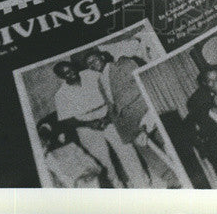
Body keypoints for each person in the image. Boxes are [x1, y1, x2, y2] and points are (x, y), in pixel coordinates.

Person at [51, 59, 149, 188]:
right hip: (86, 127)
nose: (71, 74)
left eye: (71, 69)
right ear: (61, 77)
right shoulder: (60, 95)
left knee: (127, 151)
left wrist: (110, 115)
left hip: (109, 118)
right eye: (66, 73)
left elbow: (111, 94)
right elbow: (67, 120)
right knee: (104, 161)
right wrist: (91, 124)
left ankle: (143, 185)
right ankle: (118, 188)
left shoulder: (91, 75)